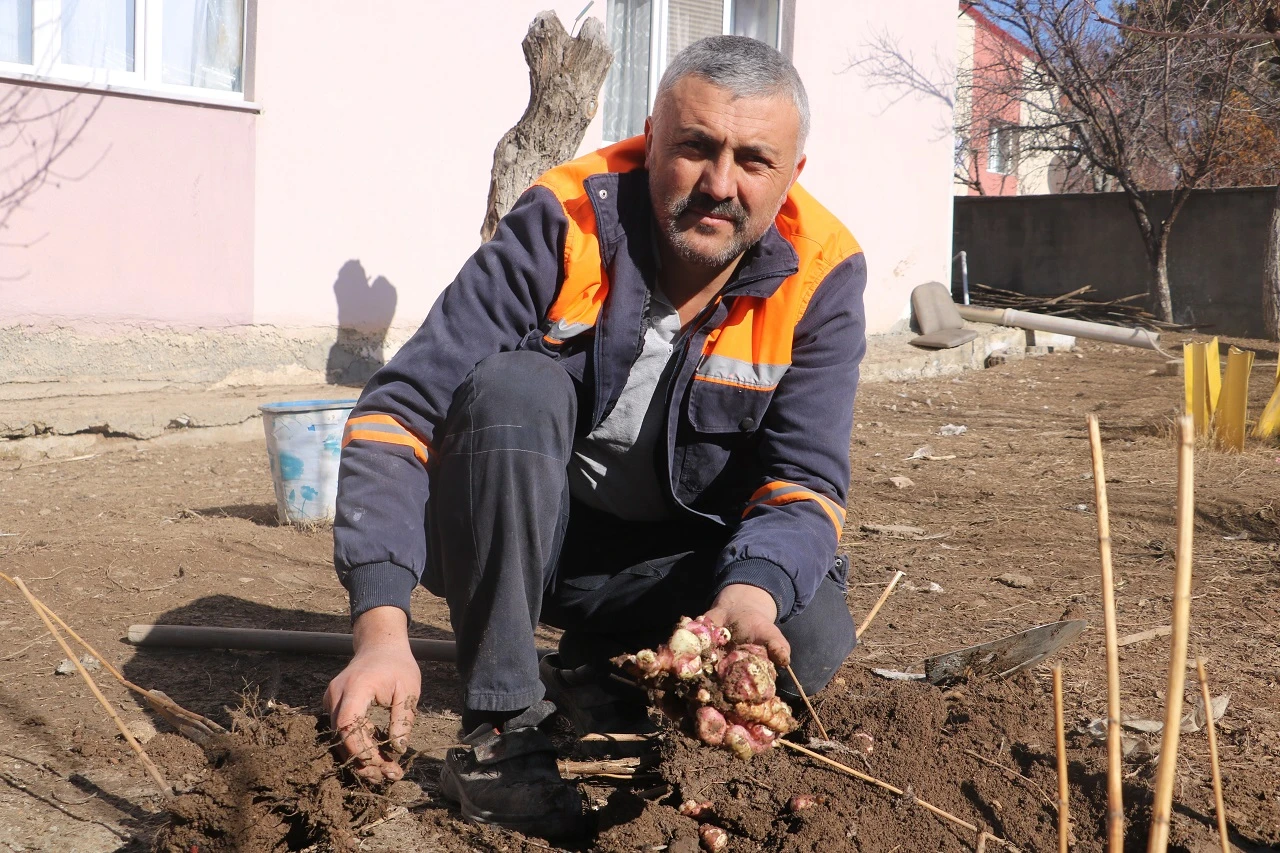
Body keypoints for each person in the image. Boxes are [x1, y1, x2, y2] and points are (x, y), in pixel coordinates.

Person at [323, 34, 867, 839]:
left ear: (793, 174)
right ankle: (502, 728)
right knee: (515, 388)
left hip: (676, 571)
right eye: (694, 148)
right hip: (523, 546)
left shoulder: (822, 273)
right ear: (651, 140)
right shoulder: (565, 218)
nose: (720, 185)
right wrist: (380, 631)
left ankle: (608, 677)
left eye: (754, 160)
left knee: (812, 635)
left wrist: (743, 603)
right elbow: (397, 410)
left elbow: (804, 484)